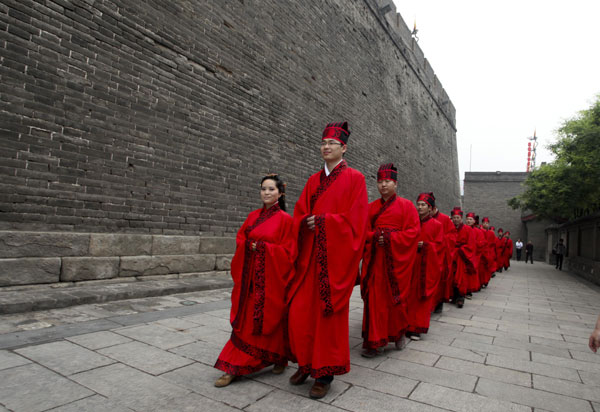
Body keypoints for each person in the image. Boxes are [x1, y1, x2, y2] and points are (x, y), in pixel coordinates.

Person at [286, 121, 368, 399]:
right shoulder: (313, 180)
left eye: (332, 143)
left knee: (327, 318)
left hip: (333, 263)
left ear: (343, 148)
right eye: (323, 143)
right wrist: (303, 225)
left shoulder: (355, 178)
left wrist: (323, 222)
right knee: (300, 313)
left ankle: (324, 374)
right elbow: (299, 213)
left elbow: (357, 222)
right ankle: (305, 364)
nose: (326, 147)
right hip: (309, 259)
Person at [214, 174, 295, 387]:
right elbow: (241, 240)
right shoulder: (252, 216)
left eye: (271, 189)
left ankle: (278, 356)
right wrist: (251, 249)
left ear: (280, 193)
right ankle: (232, 366)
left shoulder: (286, 221)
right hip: (250, 279)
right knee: (246, 323)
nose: (266, 193)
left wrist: (261, 248)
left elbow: (289, 253)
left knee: (273, 320)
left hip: (271, 281)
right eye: (263, 189)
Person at [360, 164, 419, 354]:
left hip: (395, 263)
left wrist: (391, 238)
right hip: (375, 261)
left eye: (387, 181)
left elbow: (413, 233)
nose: (383, 185)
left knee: (395, 299)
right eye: (380, 182)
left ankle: (398, 332)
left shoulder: (407, 206)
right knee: (374, 299)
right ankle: (373, 341)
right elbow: (363, 232)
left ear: (395, 184)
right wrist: (375, 237)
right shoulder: (371, 208)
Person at [406, 192, 442, 340]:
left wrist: (426, 245)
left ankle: (417, 328)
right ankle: (406, 324)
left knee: (421, 297)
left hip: (426, 266)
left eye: (423, 205)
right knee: (408, 295)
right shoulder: (410, 222)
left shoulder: (436, 225)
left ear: (430, 208)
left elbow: (439, 246)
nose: (420, 207)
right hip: (410, 263)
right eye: (418, 204)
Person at [431, 198, 454, 314]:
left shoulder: (445, 219)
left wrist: (440, 240)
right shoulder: (424, 219)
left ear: (433, 208)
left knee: (439, 281)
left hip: (441, 255)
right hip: (428, 254)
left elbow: (452, 237)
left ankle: (438, 303)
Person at [449, 207, 475, 308]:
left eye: (458, 217)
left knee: (461, 277)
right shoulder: (449, 228)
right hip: (451, 255)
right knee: (451, 276)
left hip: (461, 256)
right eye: (454, 217)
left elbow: (471, 244)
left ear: (461, 218)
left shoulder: (468, 229)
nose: (456, 219)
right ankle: (454, 296)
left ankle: (461, 298)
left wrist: (461, 249)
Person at [465, 213, 484, 296]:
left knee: (471, 273)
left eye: (470, 219)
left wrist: (474, 244)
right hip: (464, 253)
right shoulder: (463, 229)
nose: (469, 221)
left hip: (474, 255)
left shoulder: (478, 231)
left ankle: (469, 290)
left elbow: (481, 243)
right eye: (467, 219)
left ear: (474, 221)